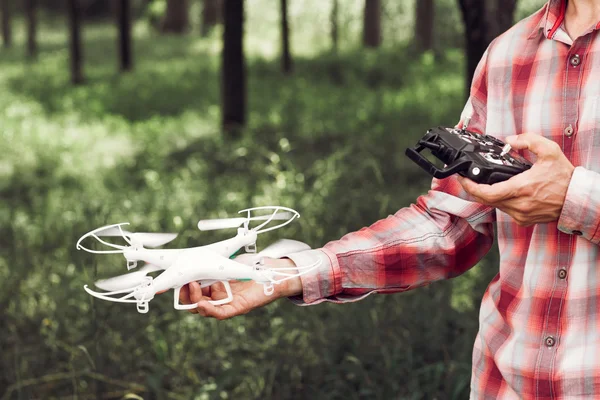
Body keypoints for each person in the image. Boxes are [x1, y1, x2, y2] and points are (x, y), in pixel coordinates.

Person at [180, 0, 600, 398]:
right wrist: (292, 272)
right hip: (505, 384)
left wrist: (575, 198)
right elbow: (450, 225)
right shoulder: (507, 54)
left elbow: (568, 198)